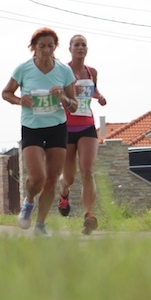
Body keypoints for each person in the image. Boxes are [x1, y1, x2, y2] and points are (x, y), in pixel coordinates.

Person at [1, 27, 78, 236]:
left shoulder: (64, 71)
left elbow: (74, 106)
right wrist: (19, 100)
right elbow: (6, 93)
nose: (46, 50)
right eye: (41, 46)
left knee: (52, 179)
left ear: (55, 47)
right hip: (32, 127)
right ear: (33, 47)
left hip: (56, 127)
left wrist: (63, 98)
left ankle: (40, 225)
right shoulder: (24, 69)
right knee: (37, 177)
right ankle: (29, 202)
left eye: (50, 46)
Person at [57, 34, 107, 234]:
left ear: (87, 49)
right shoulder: (63, 71)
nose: (80, 48)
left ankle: (88, 215)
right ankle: (64, 193)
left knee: (87, 170)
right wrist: (67, 95)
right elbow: (57, 94)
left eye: (83, 45)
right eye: (76, 45)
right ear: (69, 48)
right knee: (69, 178)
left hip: (87, 125)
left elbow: (94, 90)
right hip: (66, 126)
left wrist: (100, 96)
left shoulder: (91, 72)